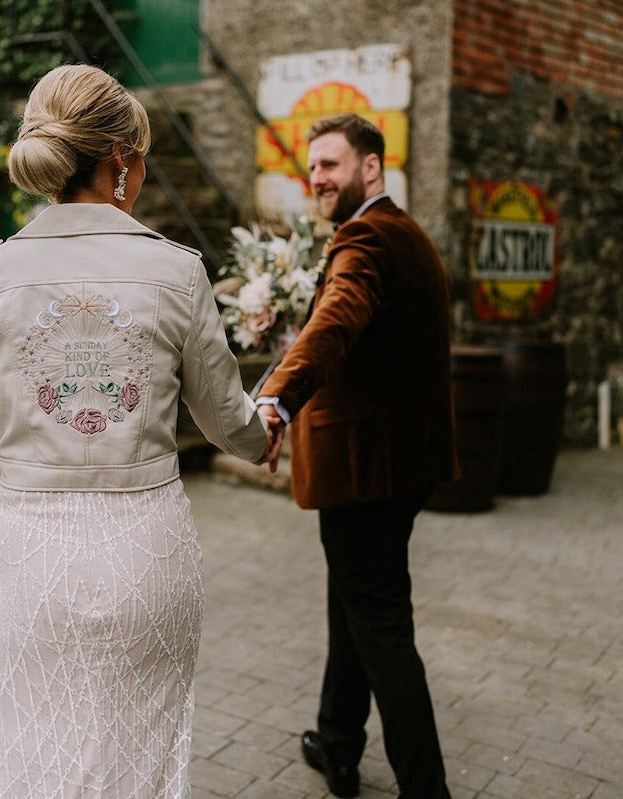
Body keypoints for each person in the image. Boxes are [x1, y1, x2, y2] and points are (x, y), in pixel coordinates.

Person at [0, 64, 279, 799]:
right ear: (121, 157)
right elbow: (225, 421)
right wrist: (264, 432)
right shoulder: (177, 272)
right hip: (145, 549)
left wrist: (32, 457)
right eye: (142, 155)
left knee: (30, 752)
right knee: (137, 762)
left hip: (31, 552)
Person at [256, 113, 459, 798]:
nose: (318, 178)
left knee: (380, 627)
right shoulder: (407, 235)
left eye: (331, 165)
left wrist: (277, 396)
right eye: (313, 167)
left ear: (371, 167)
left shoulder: (367, 237)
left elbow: (339, 316)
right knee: (354, 600)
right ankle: (338, 742)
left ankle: (426, 787)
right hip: (401, 466)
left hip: (364, 470)